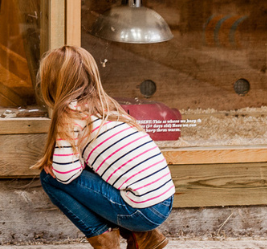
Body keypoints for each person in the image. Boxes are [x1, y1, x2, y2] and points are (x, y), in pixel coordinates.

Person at [33, 46, 174, 249]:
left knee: (50, 178)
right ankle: (144, 236)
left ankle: (105, 240)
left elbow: (65, 175)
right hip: (164, 202)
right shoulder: (106, 105)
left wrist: (55, 166)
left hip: (142, 211)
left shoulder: (71, 113)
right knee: (92, 170)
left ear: (52, 82)